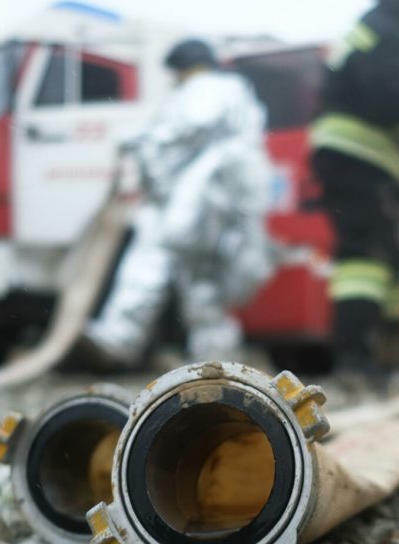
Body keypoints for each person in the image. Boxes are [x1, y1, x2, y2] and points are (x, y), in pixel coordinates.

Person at [81, 38, 274, 367]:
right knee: (203, 282)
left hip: (200, 199)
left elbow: (190, 126)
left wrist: (140, 138)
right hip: (227, 203)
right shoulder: (238, 93)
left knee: (153, 258)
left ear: (185, 68)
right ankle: (215, 358)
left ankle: (120, 337)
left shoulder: (207, 88)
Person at [310, 0, 399, 383]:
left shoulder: (374, 27)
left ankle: (384, 357)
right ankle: (355, 359)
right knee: (363, 258)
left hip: (354, 159)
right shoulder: (385, 30)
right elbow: (389, 99)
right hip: (358, 157)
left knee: (383, 258)